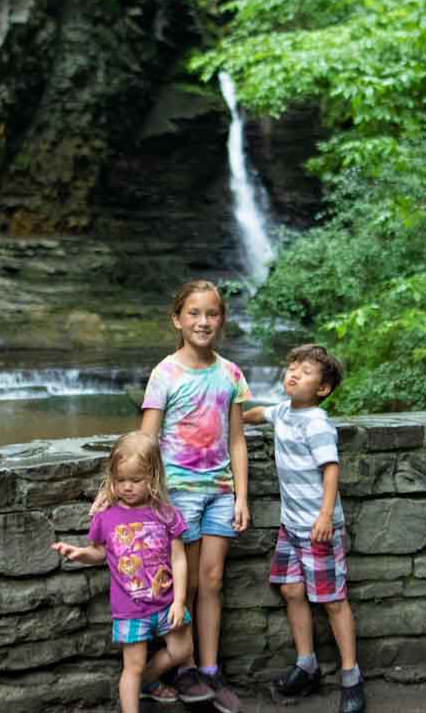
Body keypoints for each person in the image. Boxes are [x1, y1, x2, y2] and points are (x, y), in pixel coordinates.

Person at [139, 279, 251, 713]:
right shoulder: (165, 373)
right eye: (194, 314)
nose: (203, 321)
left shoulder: (231, 374)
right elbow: (148, 439)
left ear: (221, 320)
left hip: (220, 491)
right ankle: (181, 668)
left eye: (211, 314)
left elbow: (237, 440)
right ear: (177, 319)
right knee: (180, 588)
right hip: (178, 495)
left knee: (212, 580)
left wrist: (241, 495)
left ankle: (209, 670)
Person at [242, 344, 365, 713]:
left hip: (317, 527)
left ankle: (351, 677)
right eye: (292, 365)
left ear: (322, 388)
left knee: (332, 600)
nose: (294, 372)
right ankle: (306, 664)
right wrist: (232, 417)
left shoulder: (316, 422)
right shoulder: (284, 412)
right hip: (290, 526)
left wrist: (325, 516)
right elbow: (261, 413)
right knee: (293, 590)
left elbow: (331, 469)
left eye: (306, 371)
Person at [50, 432, 209, 713]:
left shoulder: (166, 513)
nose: (127, 487)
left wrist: (179, 600)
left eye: (136, 480)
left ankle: (148, 681)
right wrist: (81, 554)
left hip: (166, 603)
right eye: (120, 480)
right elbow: (99, 551)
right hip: (130, 608)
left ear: (154, 476)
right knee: (132, 666)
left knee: (182, 651)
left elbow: (179, 558)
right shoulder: (106, 516)